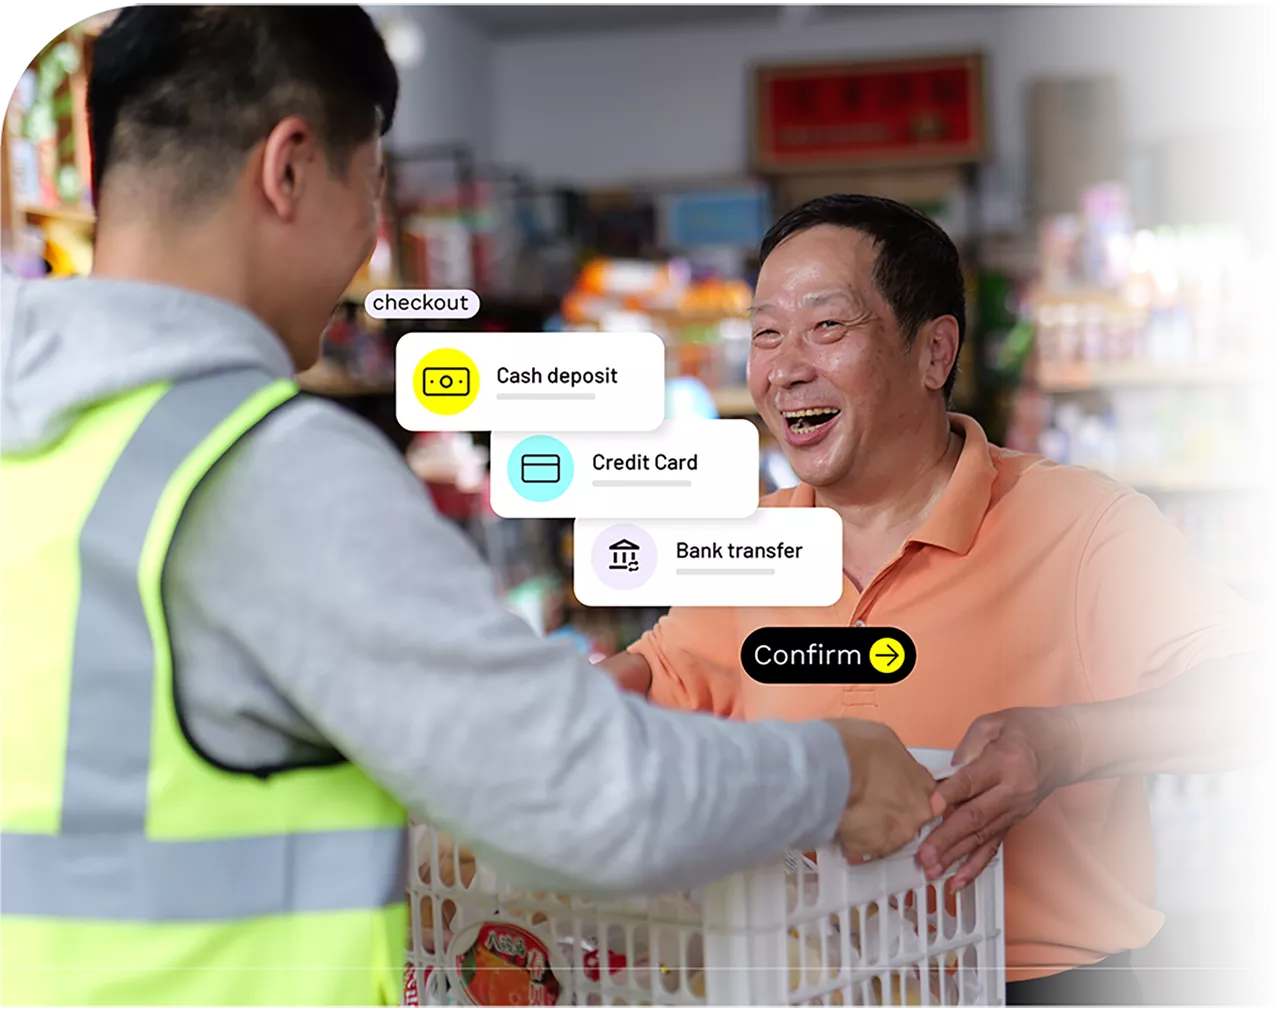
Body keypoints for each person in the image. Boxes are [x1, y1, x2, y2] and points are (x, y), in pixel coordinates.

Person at [0, 9, 942, 1008]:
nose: (371, 247)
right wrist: (834, 769)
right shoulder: (259, 468)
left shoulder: (35, 431)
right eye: (371, 190)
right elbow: (585, 801)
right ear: (288, 169)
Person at [603, 194, 1275, 1007]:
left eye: (826, 326)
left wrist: (1068, 742)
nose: (783, 366)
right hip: (803, 982)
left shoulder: (1080, 523)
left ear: (934, 352)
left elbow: (1259, 689)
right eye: (765, 332)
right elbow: (656, 675)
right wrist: (585, 698)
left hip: (1025, 988)